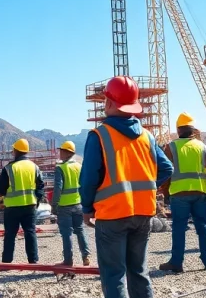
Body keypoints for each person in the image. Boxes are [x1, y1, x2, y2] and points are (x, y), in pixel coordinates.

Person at [80, 76, 173, 298]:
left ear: (109, 102)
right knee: (139, 271)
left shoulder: (99, 136)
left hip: (112, 214)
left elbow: (89, 178)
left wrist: (87, 208)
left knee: (114, 275)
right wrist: (148, 188)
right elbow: (166, 168)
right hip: (143, 213)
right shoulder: (147, 137)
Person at [158, 112, 206, 273]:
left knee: (179, 228)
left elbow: (165, 172)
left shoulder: (171, 147)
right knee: (202, 226)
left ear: (178, 130)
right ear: (193, 130)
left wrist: (166, 193)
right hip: (200, 193)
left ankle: (177, 263)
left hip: (178, 194)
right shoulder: (202, 146)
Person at [0, 138, 44, 264]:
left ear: (16, 151)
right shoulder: (34, 167)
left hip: (12, 207)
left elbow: (1, 189)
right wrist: (37, 200)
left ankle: (7, 262)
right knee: (30, 233)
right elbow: (40, 187)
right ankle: (33, 261)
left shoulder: (9, 168)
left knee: (10, 235)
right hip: (30, 205)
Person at [53, 140, 91, 266]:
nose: (59, 153)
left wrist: (54, 205)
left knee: (66, 233)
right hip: (78, 204)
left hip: (64, 206)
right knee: (80, 230)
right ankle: (86, 256)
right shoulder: (79, 166)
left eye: (61, 151)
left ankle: (68, 260)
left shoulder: (60, 168)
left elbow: (58, 188)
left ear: (65, 152)